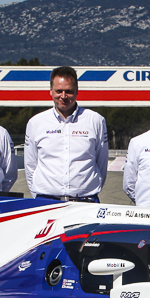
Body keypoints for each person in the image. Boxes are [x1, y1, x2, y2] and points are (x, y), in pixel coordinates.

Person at [25, 65, 109, 202]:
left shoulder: (96, 121)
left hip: (85, 201)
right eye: (59, 91)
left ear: (77, 91)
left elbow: (102, 162)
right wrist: (37, 197)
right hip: (46, 201)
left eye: (68, 91)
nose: (63, 96)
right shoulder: (36, 123)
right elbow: (30, 166)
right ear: (51, 91)